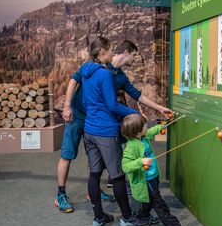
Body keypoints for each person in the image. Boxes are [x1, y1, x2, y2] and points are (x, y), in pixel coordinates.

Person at [55, 39, 172, 213]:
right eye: (134, 55)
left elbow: (138, 95)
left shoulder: (120, 76)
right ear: (126, 53)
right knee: (67, 153)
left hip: (96, 121)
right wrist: (67, 106)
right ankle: (61, 194)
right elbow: (74, 81)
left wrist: (160, 108)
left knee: (95, 159)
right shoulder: (94, 66)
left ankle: (92, 192)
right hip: (77, 115)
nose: (135, 59)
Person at [82, 37, 151, 226]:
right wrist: (135, 114)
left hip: (89, 131)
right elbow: (112, 105)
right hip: (106, 132)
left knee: (94, 174)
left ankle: (99, 218)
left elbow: (87, 103)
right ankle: (127, 218)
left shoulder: (86, 71)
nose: (113, 54)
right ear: (102, 52)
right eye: (110, 50)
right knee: (118, 176)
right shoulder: (104, 75)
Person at [121, 114, 194, 226]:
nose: (146, 126)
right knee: (160, 205)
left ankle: (143, 217)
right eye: (144, 125)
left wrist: (162, 126)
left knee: (149, 199)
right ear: (137, 132)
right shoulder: (131, 147)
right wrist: (140, 161)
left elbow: (151, 131)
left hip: (152, 178)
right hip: (146, 181)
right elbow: (125, 166)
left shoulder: (143, 136)